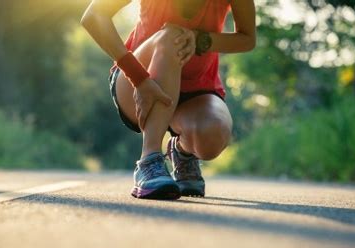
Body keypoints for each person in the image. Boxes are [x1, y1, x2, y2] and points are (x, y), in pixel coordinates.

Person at [81, 0, 255, 200]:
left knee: (212, 135)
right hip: (138, 81)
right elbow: (93, 16)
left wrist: (201, 39)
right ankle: (149, 161)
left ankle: (182, 152)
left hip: (196, 87)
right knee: (173, 35)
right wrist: (139, 78)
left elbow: (247, 38)